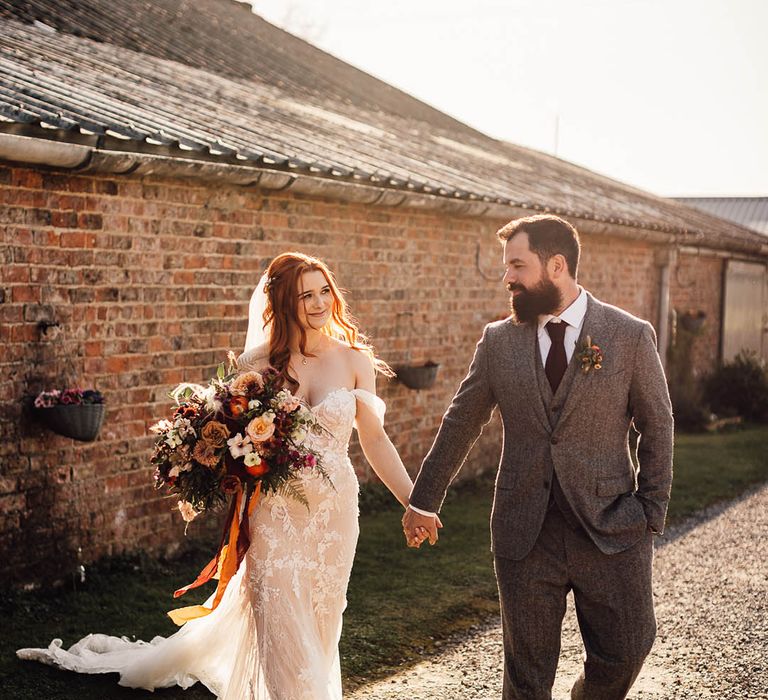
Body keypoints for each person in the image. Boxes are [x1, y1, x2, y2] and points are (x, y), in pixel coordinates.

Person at [18, 251, 429, 699]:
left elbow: (375, 441)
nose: (318, 303)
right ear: (282, 303)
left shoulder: (354, 360)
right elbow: (233, 441)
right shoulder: (256, 364)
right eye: (304, 295)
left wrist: (415, 501)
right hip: (273, 511)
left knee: (321, 620)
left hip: (333, 514)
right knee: (279, 617)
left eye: (324, 291)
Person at [403, 215, 673, 700]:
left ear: (556, 265)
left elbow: (658, 423)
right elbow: (462, 420)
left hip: (610, 525)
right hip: (525, 528)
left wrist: (651, 510)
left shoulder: (629, 335)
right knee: (526, 676)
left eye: (517, 266)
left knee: (629, 648)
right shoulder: (498, 341)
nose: (507, 278)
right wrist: (424, 501)